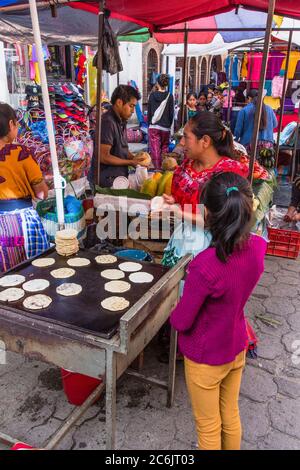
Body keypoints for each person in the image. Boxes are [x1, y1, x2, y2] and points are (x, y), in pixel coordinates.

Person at [170, 172, 267, 450]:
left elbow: (182, 321)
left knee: (209, 427)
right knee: (231, 414)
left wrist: (173, 309)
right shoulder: (258, 248)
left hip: (206, 358)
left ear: (209, 215)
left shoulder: (205, 265)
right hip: (236, 345)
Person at [0, 103, 49, 272]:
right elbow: (42, 194)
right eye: (16, 122)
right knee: (32, 272)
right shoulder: (22, 153)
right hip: (20, 225)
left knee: (5, 274)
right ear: (10, 125)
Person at [89, 85, 144, 188]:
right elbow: (103, 156)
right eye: (131, 106)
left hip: (117, 179)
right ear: (119, 102)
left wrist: (136, 159)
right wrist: (131, 162)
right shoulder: (108, 122)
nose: (133, 111)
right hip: (105, 182)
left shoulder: (121, 121)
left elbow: (122, 149)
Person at [234, 89, 277, 153]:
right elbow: (275, 124)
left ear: (249, 98)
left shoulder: (244, 110)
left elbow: (238, 130)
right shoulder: (269, 109)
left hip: (249, 144)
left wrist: (235, 142)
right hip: (268, 145)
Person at [148, 74, 174, 169]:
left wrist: (149, 125)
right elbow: (171, 113)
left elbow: (150, 112)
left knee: (155, 149)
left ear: (157, 83)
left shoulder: (152, 95)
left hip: (154, 127)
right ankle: (165, 167)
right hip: (165, 128)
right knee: (164, 148)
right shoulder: (170, 96)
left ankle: (157, 169)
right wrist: (168, 125)